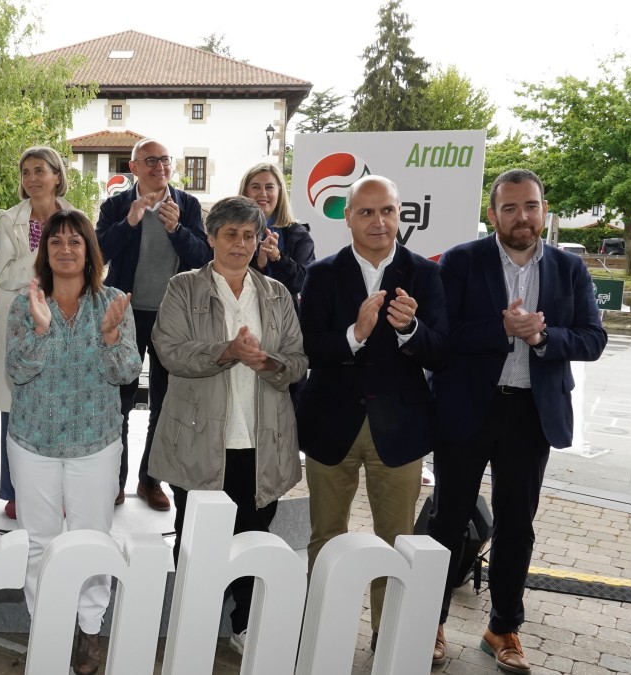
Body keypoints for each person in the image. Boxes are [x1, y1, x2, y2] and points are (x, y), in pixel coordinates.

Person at [428, 169, 607, 673]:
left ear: (543, 210)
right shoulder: (462, 261)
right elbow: (443, 336)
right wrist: (499, 329)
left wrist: (543, 338)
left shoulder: (571, 270)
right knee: (447, 518)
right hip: (467, 409)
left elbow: (593, 339)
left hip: (531, 413)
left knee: (516, 526)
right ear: (493, 215)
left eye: (530, 206)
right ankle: (431, 619)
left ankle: (502, 627)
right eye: (509, 208)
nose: (521, 217)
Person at [295, 175, 447, 654]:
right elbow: (309, 350)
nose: (378, 221)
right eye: (366, 212)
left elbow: (442, 352)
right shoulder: (321, 274)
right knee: (325, 538)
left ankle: (389, 637)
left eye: (387, 211)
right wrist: (354, 335)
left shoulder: (425, 273)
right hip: (329, 426)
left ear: (400, 214)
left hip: (399, 432)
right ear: (348, 217)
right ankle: (323, 628)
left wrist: (411, 331)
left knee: (397, 541)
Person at [149, 196, 307, 655]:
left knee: (255, 539)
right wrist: (228, 352)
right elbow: (170, 352)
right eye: (231, 234)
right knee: (196, 543)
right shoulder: (183, 288)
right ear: (212, 238)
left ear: (259, 240)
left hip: (263, 443)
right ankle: (191, 627)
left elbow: (298, 363)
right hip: (200, 440)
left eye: (249, 235)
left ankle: (244, 625)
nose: (240, 244)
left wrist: (267, 361)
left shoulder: (276, 294)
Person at [6, 210, 142, 675]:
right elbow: (17, 371)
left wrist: (108, 337)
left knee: (91, 540)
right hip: (33, 442)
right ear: (45, 251)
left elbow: (126, 373)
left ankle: (89, 631)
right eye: (56, 241)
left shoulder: (114, 302)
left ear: (89, 252)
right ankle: (47, 626)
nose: (65, 249)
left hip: (95, 442)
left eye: (75, 242)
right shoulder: (26, 304)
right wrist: (42, 331)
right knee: (38, 542)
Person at [95, 138, 211, 510]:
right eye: (150, 160)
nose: (159, 166)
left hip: (173, 317)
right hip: (125, 313)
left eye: (164, 160)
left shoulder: (188, 205)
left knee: (165, 403)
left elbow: (203, 258)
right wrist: (128, 223)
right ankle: (114, 480)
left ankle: (150, 479)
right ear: (134, 168)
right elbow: (97, 253)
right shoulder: (115, 205)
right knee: (119, 402)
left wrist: (178, 229)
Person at [0, 146, 74, 519]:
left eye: (40, 170)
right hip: (21, 320)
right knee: (17, 406)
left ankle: (56, 491)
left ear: (57, 175)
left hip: (65, 318)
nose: (32, 179)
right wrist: (47, 250)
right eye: (26, 172)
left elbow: (88, 267)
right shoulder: (8, 219)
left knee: (56, 404)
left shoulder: (76, 218)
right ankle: (13, 491)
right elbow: (7, 274)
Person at [239, 162, 315, 301]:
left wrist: (278, 258)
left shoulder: (298, 235)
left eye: (269, 187)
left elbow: (303, 283)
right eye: (256, 187)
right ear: (245, 191)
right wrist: (259, 264)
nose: (263, 193)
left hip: (283, 317)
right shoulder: (229, 231)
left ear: (279, 192)